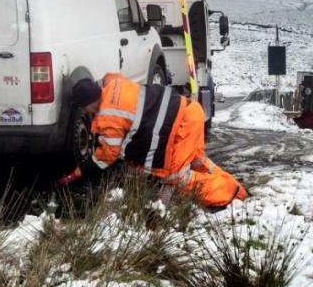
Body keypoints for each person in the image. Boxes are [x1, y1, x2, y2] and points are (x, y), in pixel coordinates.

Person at [58, 73, 247, 209]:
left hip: (181, 126)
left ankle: (229, 193)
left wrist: (78, 172)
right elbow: (109, 77)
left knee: (177, 177)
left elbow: (107, 156)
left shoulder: (109, 116)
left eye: (85, 108)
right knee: (198, 161)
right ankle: (237, 188)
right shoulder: (113, 83)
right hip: (191, 110)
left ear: (89, 102)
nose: (87, 113)